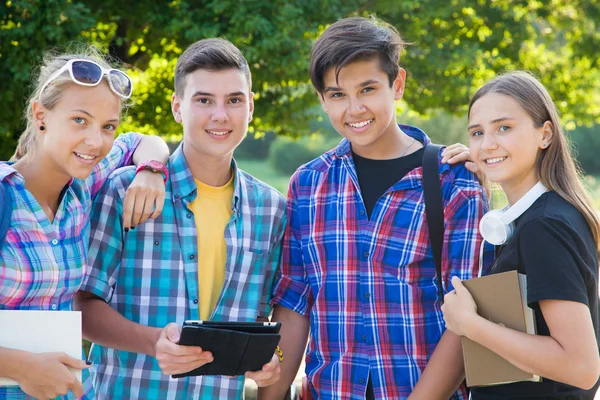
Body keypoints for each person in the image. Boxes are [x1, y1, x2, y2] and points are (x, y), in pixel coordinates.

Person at [260, 16, 487, 400]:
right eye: (336, 94)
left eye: (368, 88)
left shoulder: (455, 184)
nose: (354, 109)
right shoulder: (308, 185)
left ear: (397, 84)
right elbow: (295, 303)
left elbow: (467, 319)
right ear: (321, 99)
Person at [75, 38, 286, 399]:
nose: (220, 115)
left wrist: (271, 359)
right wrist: (154, 341)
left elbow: (264, 317)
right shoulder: (125, 189)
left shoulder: (272, 209)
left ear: (250, 107)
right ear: (177, 107)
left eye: (234, 100)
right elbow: (82, 303)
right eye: (203, 100)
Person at [0, 49, 170, 400]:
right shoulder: (4, 197)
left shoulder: (83, 186)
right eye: (80, 120)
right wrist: (22, 368)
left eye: (108, 126)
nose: (96, 142)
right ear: (40, 116)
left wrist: (151, 171)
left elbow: (142, 141)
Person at [441, 71, 600, 399]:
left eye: (504, 128)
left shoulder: (544, 227)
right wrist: (489, 161)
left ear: (545, 135)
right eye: (477, 133)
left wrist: (471, 326)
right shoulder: (542, 215)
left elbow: (581, 367)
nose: (487, 143)